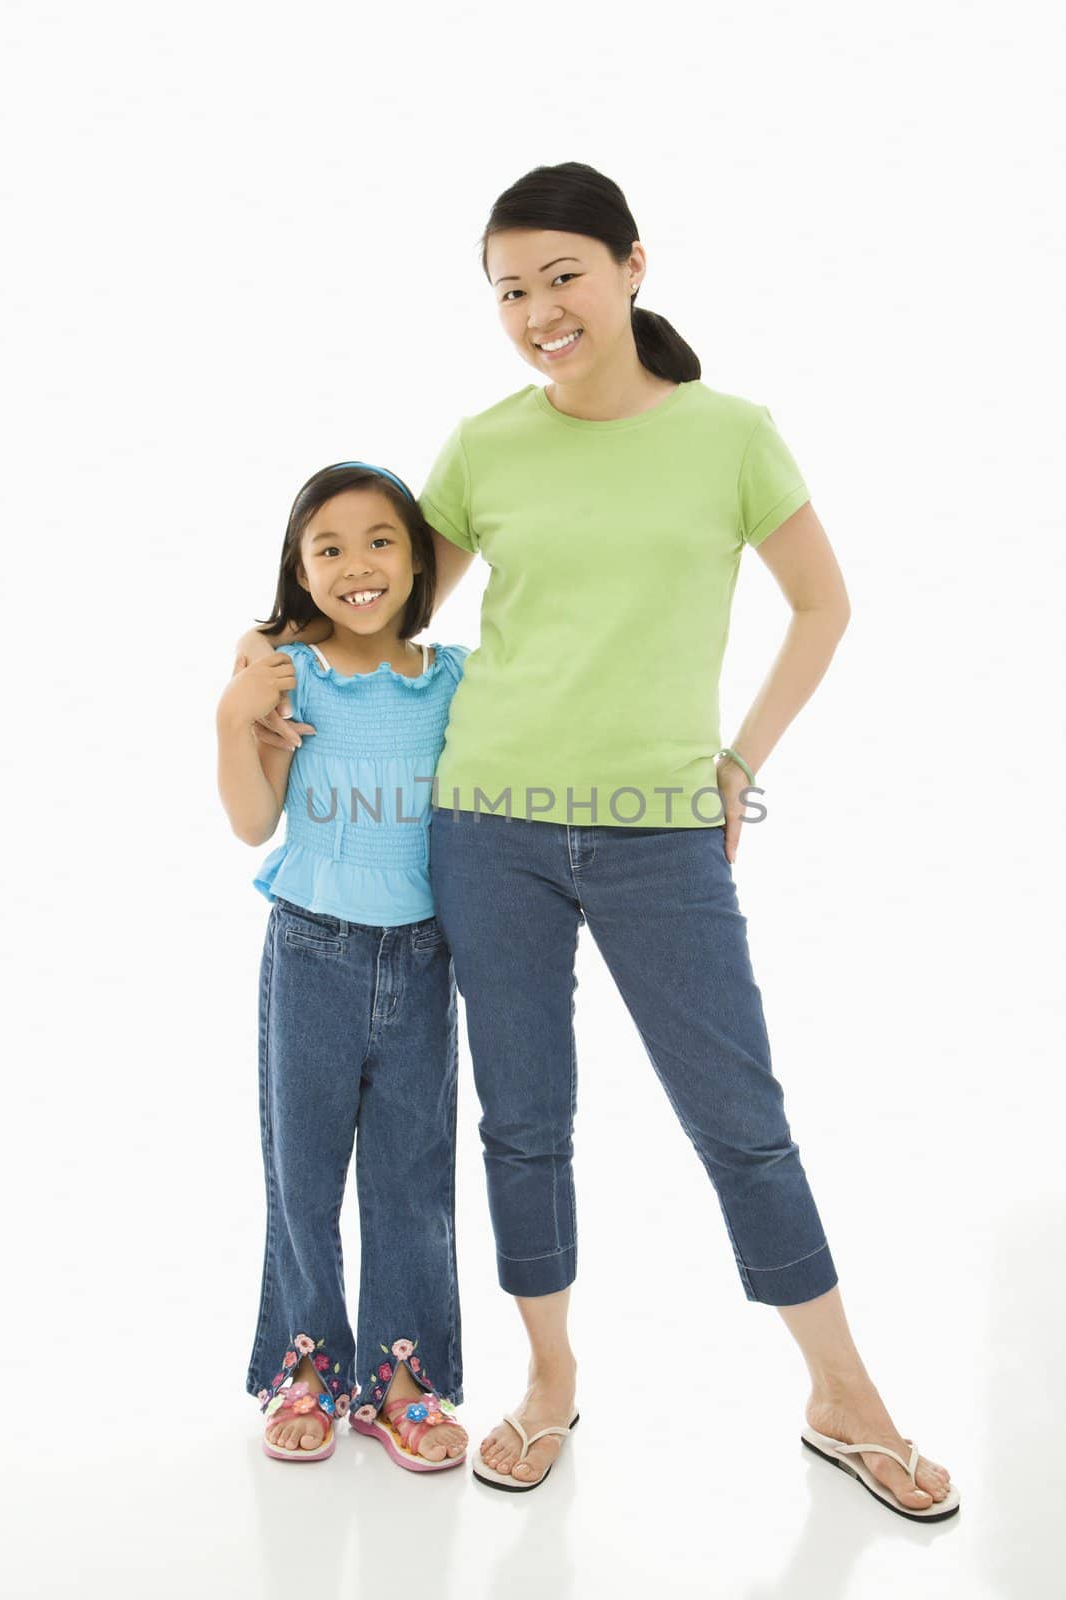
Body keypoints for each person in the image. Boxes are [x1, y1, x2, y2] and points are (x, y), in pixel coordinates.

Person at [238, 164, 958, 1520]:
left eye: (559, 275)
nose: (536, 310)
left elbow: (821, 606)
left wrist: (734, 766)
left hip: (657, 835)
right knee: (522, 1125)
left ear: (631, 265)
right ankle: (547, 1384)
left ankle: (841, 1398)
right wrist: (268, 654)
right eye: (508, 289)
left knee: (739, 1120)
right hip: (483, 828)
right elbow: (380, 613)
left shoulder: (730, 434)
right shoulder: (484, 444)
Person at [217, 460, 470, 1472]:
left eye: (380, 542)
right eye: (328, 547)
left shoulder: (454, 678)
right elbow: (248, 821)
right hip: (311, 952)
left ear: (417, 562)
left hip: (422, 961)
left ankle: (400, 1382)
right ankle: (309, 1368)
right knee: (303, 1175)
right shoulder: (289, 677)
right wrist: (234, 706)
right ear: (300, 567)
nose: (357, 565)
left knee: (413, 1181)